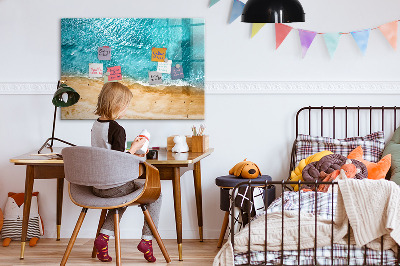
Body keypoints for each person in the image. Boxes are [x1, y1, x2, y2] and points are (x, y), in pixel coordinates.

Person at [91, 82, 161, 263]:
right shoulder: (117, 129)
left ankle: (103, 238)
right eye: (126, 105)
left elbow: (108, 154)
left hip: (97, 186)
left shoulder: (96, 125)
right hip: (114, 186)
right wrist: (136, 148)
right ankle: (147, 240)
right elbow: (119, 161)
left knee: (121, 197)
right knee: (156, 194)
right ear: (117, 105)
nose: (126, 109)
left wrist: (130, 150)